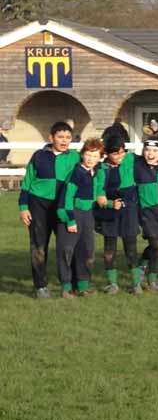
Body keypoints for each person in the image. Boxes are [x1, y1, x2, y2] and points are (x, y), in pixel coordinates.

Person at [20, 121, 80, 298]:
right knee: (39, 247)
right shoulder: (38, 156)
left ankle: (74, 284)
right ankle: (40, 286)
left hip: (63, 207)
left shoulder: (75, 157)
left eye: (68, 137)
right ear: (51, 137)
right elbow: (26, 184)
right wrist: (23, 207)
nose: (64, 141)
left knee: (68, 247)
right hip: (38, 206)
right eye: (60, 137)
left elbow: (97, 158)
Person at [54, 138, 106, 297]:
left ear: (100, 158)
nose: (91, 159)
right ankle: (66, 287)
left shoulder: (97, 172)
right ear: (82, 154)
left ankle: (83, 286)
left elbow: (98, 191)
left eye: (95, 156)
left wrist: (104, 198)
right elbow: (66, 198)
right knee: (66, 250)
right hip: (73, 213)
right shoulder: (76, 173)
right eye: (88, 154)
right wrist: (70, 219)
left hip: (87, 215)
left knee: (86, 250)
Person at [95, 139, 140, 293]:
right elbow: (99, 193)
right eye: (116, 153)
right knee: (110, 248)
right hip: (110, 212)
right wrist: (109, 204)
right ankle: (112, 283)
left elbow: (150, 157)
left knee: (131, 248)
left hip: (129, 211)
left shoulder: (131, 158)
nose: (120, 156)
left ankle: (136, 284)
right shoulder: (101, 169)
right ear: (107, 154)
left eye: (122, 152)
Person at [133, 138, 158, 291]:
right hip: (146, 211)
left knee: (157, 246)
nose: (151, 154)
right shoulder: (137, 164)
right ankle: (150, 279)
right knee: (156, 244)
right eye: (148, 150)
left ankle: (144, 268)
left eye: (155, 151)